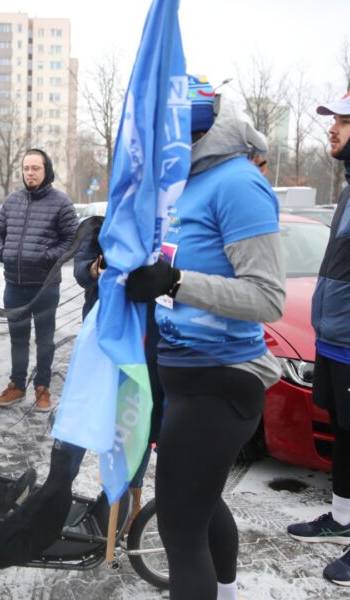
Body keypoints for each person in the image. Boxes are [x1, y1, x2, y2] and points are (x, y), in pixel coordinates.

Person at [126, 75, 285, 600]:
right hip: (182, 375)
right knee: (203, 503)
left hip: (221, 380)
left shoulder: (237, 183)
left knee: (179, 528)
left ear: (191, 130)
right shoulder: (183, 182)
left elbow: (267, 297)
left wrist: (176, 283)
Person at [286, 93, 350, 586]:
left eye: (345, 121)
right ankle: (343, 519)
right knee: (345, 434)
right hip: (334, 339)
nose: (333, 128)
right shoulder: (347, 192)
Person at [72, 216, 165, 527]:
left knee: (139, 417)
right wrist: (95, 269)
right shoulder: (100, 226)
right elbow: (81, 268)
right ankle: (106, 494)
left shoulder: (160, 226)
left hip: (147, 340)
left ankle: (131, 500)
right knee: (104, 415)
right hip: (105, 337)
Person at [0, 148, 78, 412]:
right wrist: (3, 253)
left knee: (44, 341)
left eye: (35, 168)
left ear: (46, 170)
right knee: (18, 339)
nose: (30, 173)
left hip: (45, 287)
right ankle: (17, 385)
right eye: (26, 168)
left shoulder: (61, 203)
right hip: (14, 285)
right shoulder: (11, 201)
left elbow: (72, 241)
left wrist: (45, 257)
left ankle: (43, 388)